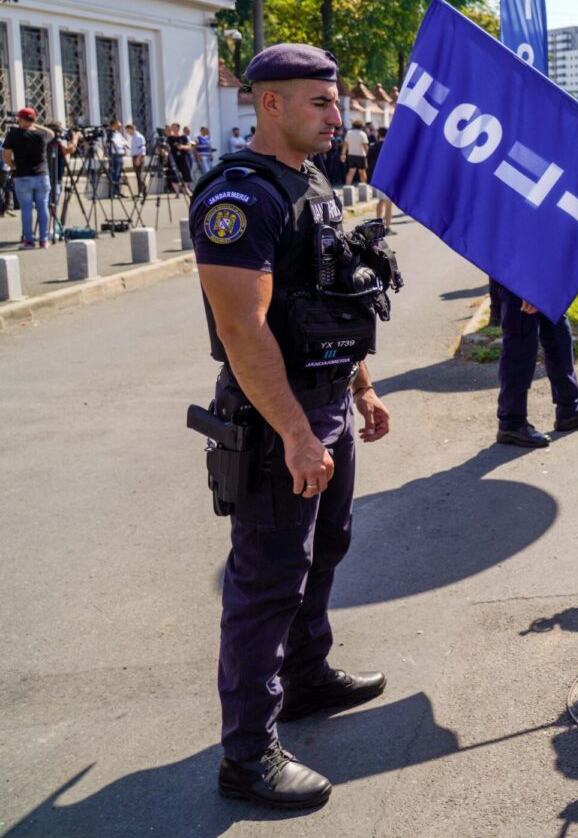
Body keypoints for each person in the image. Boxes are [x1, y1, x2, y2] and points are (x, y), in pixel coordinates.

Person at [192, 43, 394, 810]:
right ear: (269, 103)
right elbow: (245, 333)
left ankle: (306, 679)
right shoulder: (240, 197)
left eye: (337, 101)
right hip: (277, 414)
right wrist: (297, 434)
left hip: (326, 402)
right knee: (266, 579)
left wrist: (361, 391)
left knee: (327, 546)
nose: (336, 115)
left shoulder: (312, 182)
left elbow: (329, 298)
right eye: (320, 101)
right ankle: (247, 754)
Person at [492, 286, 578, 448]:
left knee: (559, 336)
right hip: (522, 282)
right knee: (519, 349)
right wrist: (526, 287)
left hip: (545, 281)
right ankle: (511, 422)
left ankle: (569, 407)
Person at [2, 107, 55, 248]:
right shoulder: (41, 135)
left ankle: (29, 240)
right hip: (42, 175)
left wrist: (12, 165)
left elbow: (6, 154)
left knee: (26, 209)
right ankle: (44, 240)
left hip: (23, 176)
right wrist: (34, 123)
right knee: (43, 207)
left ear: (20, 119)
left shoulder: (14, 134)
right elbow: (52, 133)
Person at [370, 127, 394, 231]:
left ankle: (378, 226)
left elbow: (369, 162)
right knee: (389, 203)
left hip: (376, 176)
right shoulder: (390, 146)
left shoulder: (373, 146)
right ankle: (387, 226)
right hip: (388, 176)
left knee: (380, 201)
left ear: (378, 134)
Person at [343, 119, 369, 185]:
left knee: (351, 172)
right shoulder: (362, 134)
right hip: (361, 155)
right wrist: (368, 155)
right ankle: (364, 188)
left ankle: (347, 187)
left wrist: (343, 154)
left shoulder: (349, 133)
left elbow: (345, 144)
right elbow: (365, 146)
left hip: (351, 154)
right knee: (362, 173)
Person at [124, 122, 147, 194]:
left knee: (139, 175)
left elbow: (142, 148)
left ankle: (141, 191)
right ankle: (143, 190)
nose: (127, 133)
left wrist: (138, 158)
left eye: (128, 131)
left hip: (138, 156)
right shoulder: (133, 137)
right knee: (138, 175)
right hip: (135, 156)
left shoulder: (138, 137)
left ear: (132, 129)